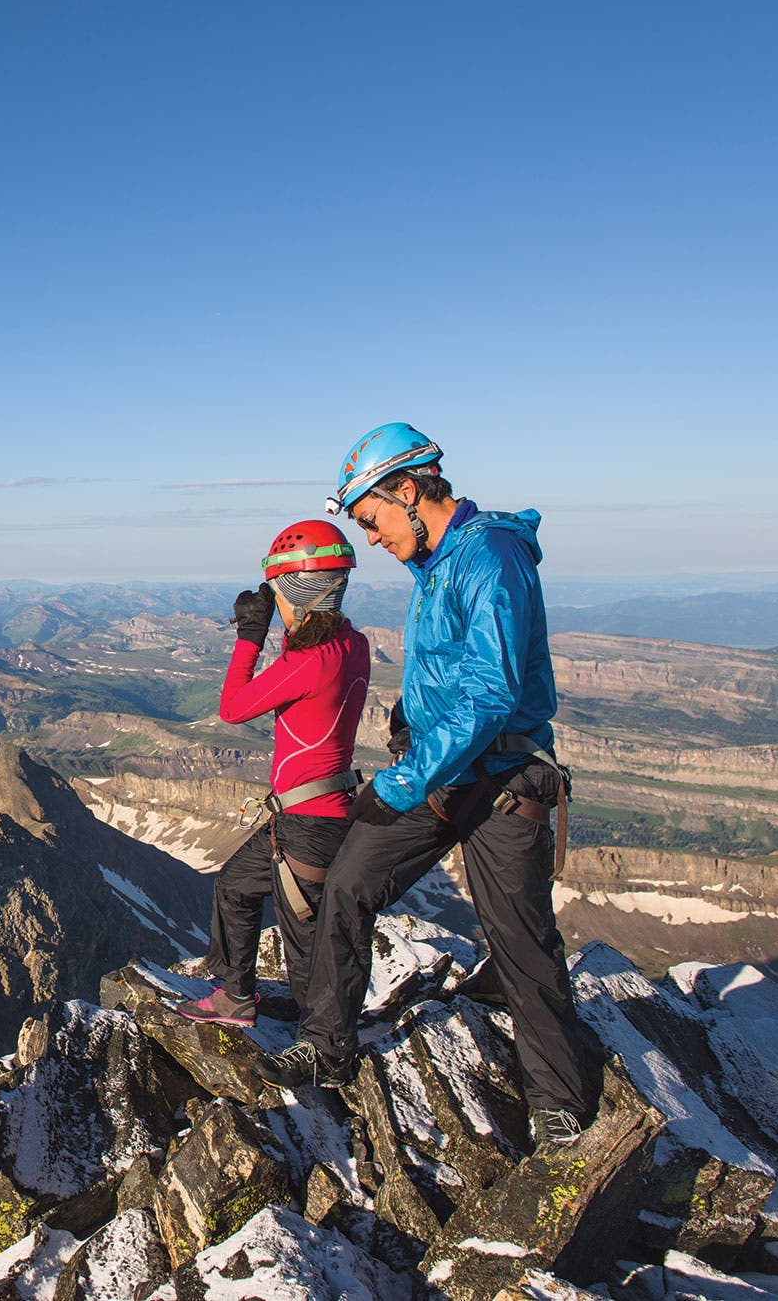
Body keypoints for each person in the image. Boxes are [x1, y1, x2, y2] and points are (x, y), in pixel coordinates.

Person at [252, 424, 601, 1152]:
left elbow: (490, 693)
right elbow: (453, 677)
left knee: (518, 937)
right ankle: (327, 1042)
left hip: (500, 778)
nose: (372, 539)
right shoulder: (439, 566)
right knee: (348, 883)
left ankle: (560, 1103)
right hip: (446, 772)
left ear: (408, 492)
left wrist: (406, 777)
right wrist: (411, 720)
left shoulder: (492, 558)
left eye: (372, 519)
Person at [178, 521, 371, 1027]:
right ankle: (237, 996)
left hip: (308, 823)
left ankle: (323, 1053)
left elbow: (233, 708)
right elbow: (307, 658)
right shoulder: (352, 646)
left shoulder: (311, 660)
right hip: (319, 813)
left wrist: (249, 636)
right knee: (235, 886)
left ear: (295, 589)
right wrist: (289, 623)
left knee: (304, 943)